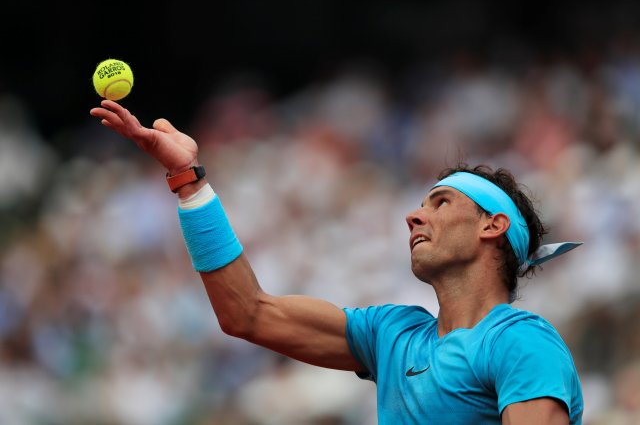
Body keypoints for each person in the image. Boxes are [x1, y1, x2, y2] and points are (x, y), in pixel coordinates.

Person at [90, 99, 584, 424]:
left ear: (492, 227)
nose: (414, 216)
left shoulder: (519, 341)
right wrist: (187, 179)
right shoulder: (392, 335)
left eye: (440, 203)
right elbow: (248, 313)